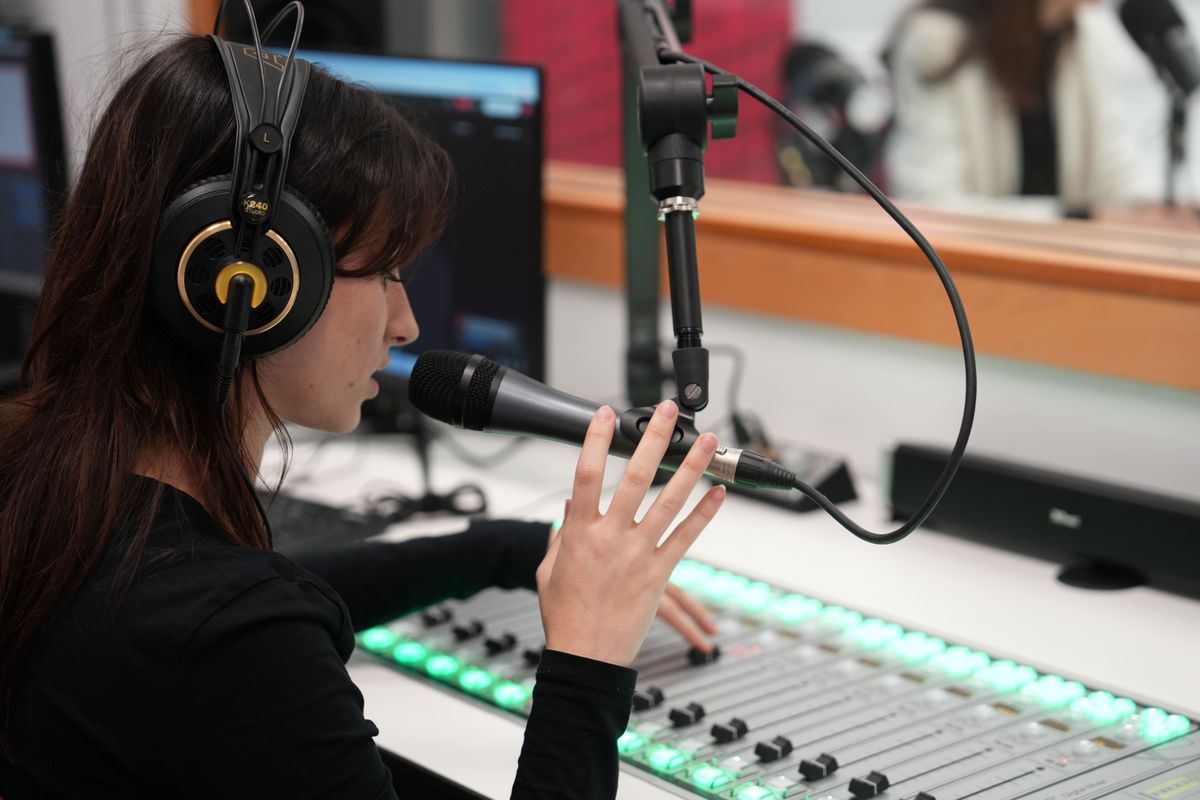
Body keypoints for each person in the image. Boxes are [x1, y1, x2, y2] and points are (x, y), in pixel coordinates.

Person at [0, 31, 727, 799]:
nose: (406, 323)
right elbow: (246, 628)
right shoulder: (233, 635)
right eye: (383, 272)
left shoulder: (56, 483)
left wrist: (505, 550)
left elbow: (274, 596)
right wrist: (589, 659)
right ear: (250, 281)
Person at [883, 0, 1159, 218]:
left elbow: (1115, 176)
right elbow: (927, 204)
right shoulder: (937, 41)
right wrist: (1073, 218)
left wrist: (1152, 211)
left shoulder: (1086, 36)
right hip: (968, 273)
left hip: (1066, 266)